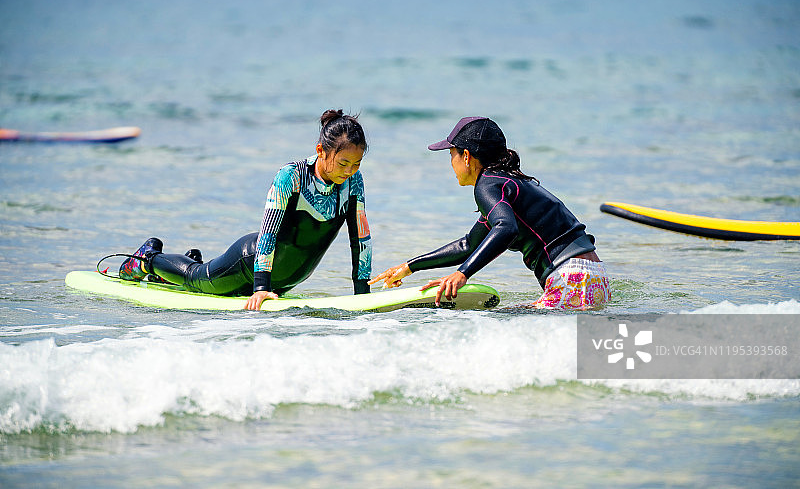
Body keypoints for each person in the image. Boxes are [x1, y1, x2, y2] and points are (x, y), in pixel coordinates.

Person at [119, 109, 372, 310]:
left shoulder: (353, 183)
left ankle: (178, 268)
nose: (349, 171)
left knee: (207, 283)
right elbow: (269, 232)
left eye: (356, 164)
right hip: (249, 264)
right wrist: (261, 287)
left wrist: (362, 293)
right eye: (343, 163)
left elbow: (360, 239)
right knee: (194, 279)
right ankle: (147, 259)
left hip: (284, 279)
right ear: (321, 151)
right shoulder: (291, 176)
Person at [369, 116, 610, 310]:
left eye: (451, 155)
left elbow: (506, 228)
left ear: (466, 156)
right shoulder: (507, 184)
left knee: (503, 323)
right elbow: (468, 245)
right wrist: (409, 267)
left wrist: (462, 274)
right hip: (593, 276)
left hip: (571, 278)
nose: (450, 163)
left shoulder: (487, 184)